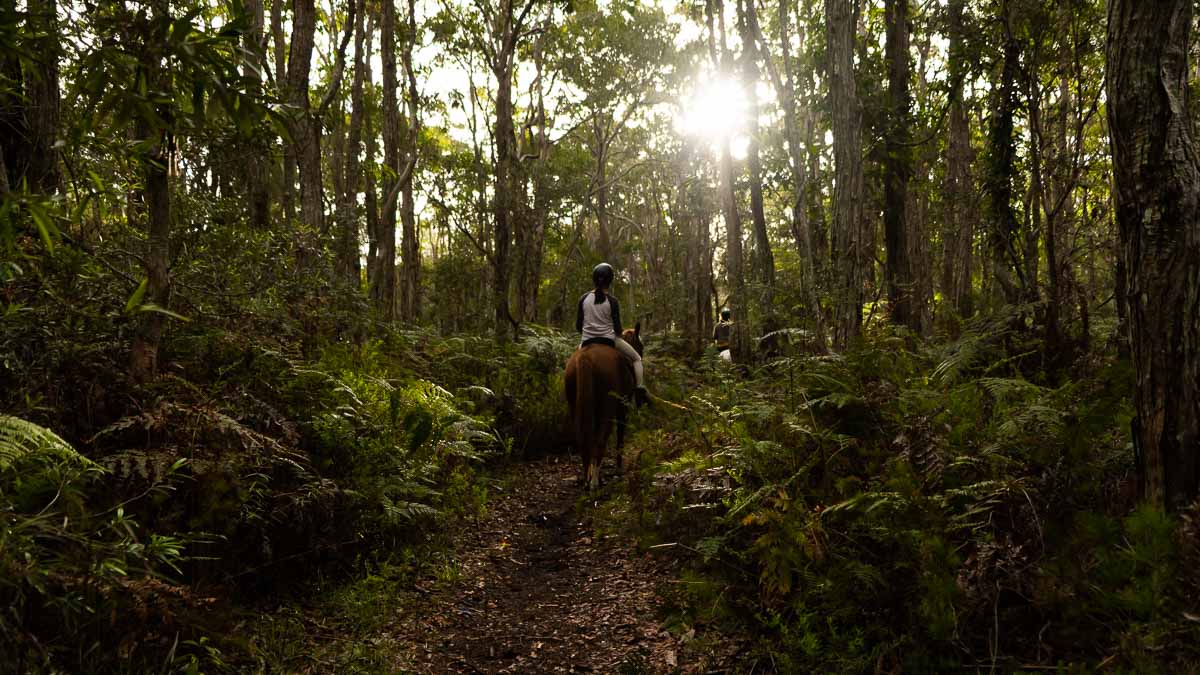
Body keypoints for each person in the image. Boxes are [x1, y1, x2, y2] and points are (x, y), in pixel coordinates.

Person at [575, 262, 647, 399]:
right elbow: (618, 329)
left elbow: (578, 326)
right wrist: (616, 333)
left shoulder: (583, 299)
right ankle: (639, 390)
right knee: (637, 359)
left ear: (594, 279)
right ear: (610, 280)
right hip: (609, 340)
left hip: (586, 341)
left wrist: (589, 333)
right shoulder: (612, 301)